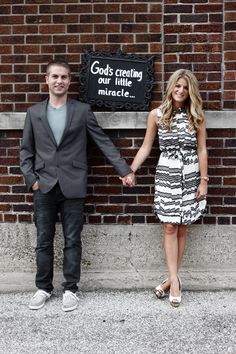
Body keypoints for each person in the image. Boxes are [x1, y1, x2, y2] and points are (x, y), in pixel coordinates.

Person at [20, 59, 134, 312]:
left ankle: (71, 289)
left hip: (73, 185)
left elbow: (102, 141)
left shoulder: (82, 111)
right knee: (43, 240)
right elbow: (26, 152)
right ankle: (43, 288)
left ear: (69, 81)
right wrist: (32, 181)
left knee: (72, 239)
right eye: (55, 77)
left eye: (64, 77)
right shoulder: (34, 113)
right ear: (46, 80)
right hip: (45, 186)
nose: (59, 81)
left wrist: (124, 169)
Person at [124, 69, 208, 307]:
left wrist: (204, 180)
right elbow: (146, 147)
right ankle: (175, 280)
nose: (180, 91)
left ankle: (171, 281)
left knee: (182, 228)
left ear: (190, 91)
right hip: (167, 175)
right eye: (177, 86)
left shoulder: (197, 116)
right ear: (171, 87)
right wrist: (131, 170)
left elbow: (202, 149)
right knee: (170, 226)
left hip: (191, 174)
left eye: (185, 87)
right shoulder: (157, 115)